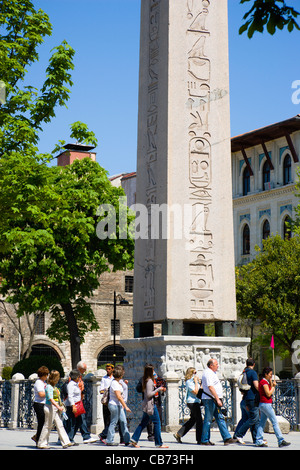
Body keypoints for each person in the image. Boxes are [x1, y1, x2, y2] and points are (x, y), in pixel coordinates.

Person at [130, 364, 168, 449]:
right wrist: (159, 389)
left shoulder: (144, 379)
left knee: (143, 423)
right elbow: (149, 394)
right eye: (153, 370)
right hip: (150, 404)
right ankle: (159, 443)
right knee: (157, 423)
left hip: (145, 404)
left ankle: (134, 439)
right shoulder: (149, 381)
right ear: (151, 371)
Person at [200, 358, 235, 446]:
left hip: (214, 399)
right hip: (210, 399)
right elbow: (210, 387)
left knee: (220, 417)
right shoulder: (208, 373)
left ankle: (227, 438)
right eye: (216, 364)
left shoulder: (212, 373)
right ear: (211, 365)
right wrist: (217, 399)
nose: (218, 366)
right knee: (208, 419)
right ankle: (204, 439)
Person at [255, 367, 290, 448]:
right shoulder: (263, 382)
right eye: (270, 374)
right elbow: (268, 393)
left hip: (263, 404)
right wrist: (273, 386)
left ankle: (259, 440)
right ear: (266, 374)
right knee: (274, 422)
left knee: (262, 423)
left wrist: (271, 382)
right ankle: (280, 440)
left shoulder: (265, 381)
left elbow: (269, 389)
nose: (271, 376)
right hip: (266, 404)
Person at [37, 370, 72, 449]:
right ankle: (41, 443)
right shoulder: (49, 387)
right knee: (48, 425)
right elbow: (50, 399)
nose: (58, 379)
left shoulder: (54, 387)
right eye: (57, 377)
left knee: (60, 425)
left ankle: (66, 442)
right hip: (50, 407)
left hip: (54, 407)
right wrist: (58, 406)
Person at [64, 369, 96, 444]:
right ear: (75, 377)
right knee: (72, 422)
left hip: (78, 404)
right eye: (78, 376)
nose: (79, 378)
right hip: (73, 406)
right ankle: (70, 438)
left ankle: (73, 437)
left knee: (79, 422)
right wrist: (73, 406)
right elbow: (70, 396)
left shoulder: (75, 384)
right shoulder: (71, 385)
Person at [233, 358, 260, 445]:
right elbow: (256, 385)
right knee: (254, 418)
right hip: (252, 398)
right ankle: (239, 434)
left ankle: (256, 439)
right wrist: (263, 391)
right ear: (254, 364)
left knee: (246, 418)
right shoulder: (253, 373)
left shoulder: (244, 372)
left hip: (245, 398)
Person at [174, 367, 203, 445]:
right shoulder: (189, 382)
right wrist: (196, 382)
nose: (196, 375)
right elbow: (196, 391)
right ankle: (199, 439)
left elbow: (201, 390)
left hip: (196, 401)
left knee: (193, 420)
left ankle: (179, 434)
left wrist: (200, 383)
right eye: (195, 373)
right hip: (192, 402)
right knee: (199, 420)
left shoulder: (194, 382)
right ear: (191, 373)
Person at [106, 365, 131, 446]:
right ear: (120, 375)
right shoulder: (114, 383)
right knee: (113, 422)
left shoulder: (118, 382)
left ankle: (127, 440)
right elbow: (119, 397)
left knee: (123, 422)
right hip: (114, 405)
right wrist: (126, 406)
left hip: (119, 405)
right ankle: (109, 440)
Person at [32, 366, 49, 446]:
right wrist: (49, 393)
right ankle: (38, 439)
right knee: (41, 422)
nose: (47, 376)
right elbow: (41, 394)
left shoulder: (43, 383)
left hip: (43, 404)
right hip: (39, 404)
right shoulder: (38, 382)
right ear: (43, 375)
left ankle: (37, 437)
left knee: (44, 422)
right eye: (46, 374)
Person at [99, 363, 114, 443]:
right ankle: (104, 435)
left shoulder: (115, 378)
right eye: (107, 369)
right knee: (106, 418)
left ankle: (107, 435)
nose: (107, 371)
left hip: (113, 400)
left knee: (112, 419)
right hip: (106, 401)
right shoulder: (104, 378)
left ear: (112, 369)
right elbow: (101, 390)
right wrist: (106, 390)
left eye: (109, 369)